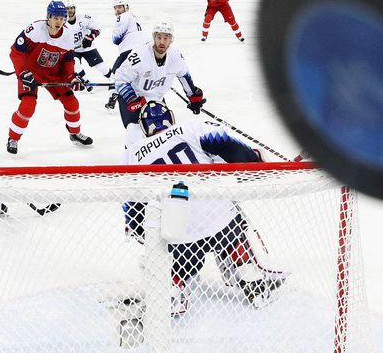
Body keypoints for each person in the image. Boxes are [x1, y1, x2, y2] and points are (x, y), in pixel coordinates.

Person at [118, 101, 288, 320]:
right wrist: (254, 160)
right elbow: (226, 144)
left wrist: (141, 231)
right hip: (219, 221)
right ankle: (251, 279)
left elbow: (130, 203)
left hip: (179, 233)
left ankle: (173, 290)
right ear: (169, 118)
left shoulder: (133, 154)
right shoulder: (189, 128)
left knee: (177, 259)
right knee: (234, 229)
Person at [6, 1, 93, 154]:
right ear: (48, 17)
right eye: (55, 18)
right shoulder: (34, 30)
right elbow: (16, 52)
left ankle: (74, 133)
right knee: (28, 106)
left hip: (53, 74)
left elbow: (67, 61)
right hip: (30, 73)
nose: (59, 21)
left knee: (72, 103)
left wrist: (72, 77)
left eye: (62, 18)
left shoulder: (68, 36)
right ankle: (13, 138)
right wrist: (22, 73)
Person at [112, 20, 205, 145]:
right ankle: (131, 161)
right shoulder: (139, 55)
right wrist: (132, 98)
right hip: (134, 97)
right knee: (134, 134)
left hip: (156, 98)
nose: (162, 42)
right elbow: (120, 79)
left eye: (166, 38)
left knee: (162, 135)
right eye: (159, 37)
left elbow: (184, 76)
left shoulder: (175, 56)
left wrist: (193, 95)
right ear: (153, 37)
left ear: (171, 40)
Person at [105, 0, 150, 110]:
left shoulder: (123, 17)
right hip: (142, 50)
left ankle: (112, 98)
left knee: (115, 75)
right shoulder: (133, 17)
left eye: (120, 7)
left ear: (126, 7)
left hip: (129, 50)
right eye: (116, 8)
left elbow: (116, 37)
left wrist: (118, 40)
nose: (118, 10)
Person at [64, 0, 112, 88]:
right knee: (75, 63)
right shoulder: (61, 22)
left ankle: (114, 80)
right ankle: (86, 82)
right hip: (73, 50)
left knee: (101, 67)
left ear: (75, 9)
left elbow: (97, 29)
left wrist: (89, 38)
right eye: (67, 8)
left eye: (71, 8)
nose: (70, 10)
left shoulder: (83, 18)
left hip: (88, 48)